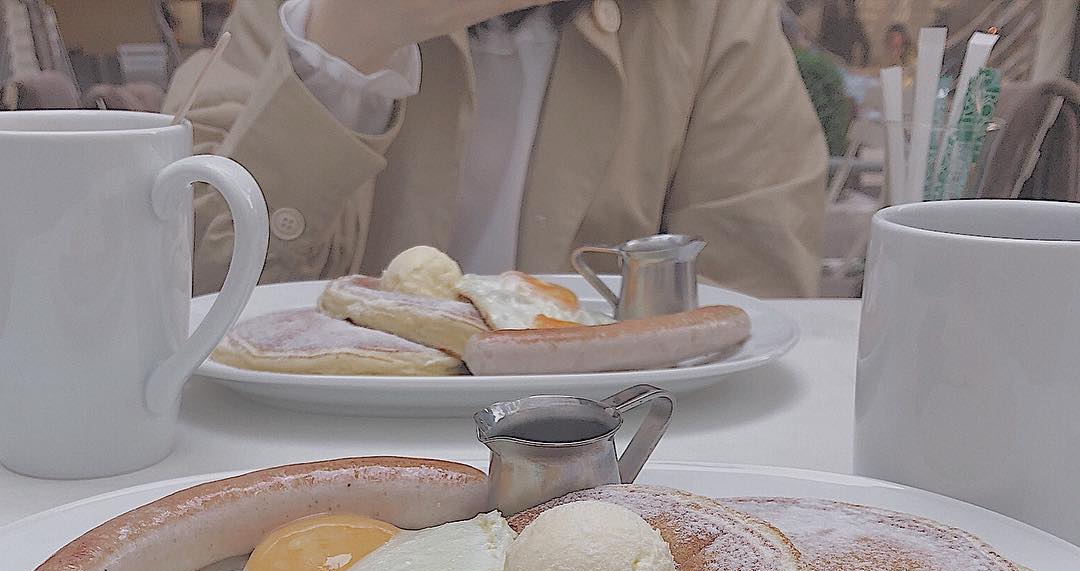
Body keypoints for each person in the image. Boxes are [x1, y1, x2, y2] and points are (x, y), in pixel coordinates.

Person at [165, 1, 827, 299]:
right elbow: (184, 297)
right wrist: (346, 37)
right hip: (323, 467)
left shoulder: (712, 20)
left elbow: (753, 302)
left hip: (612, 463)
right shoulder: (293, 11)